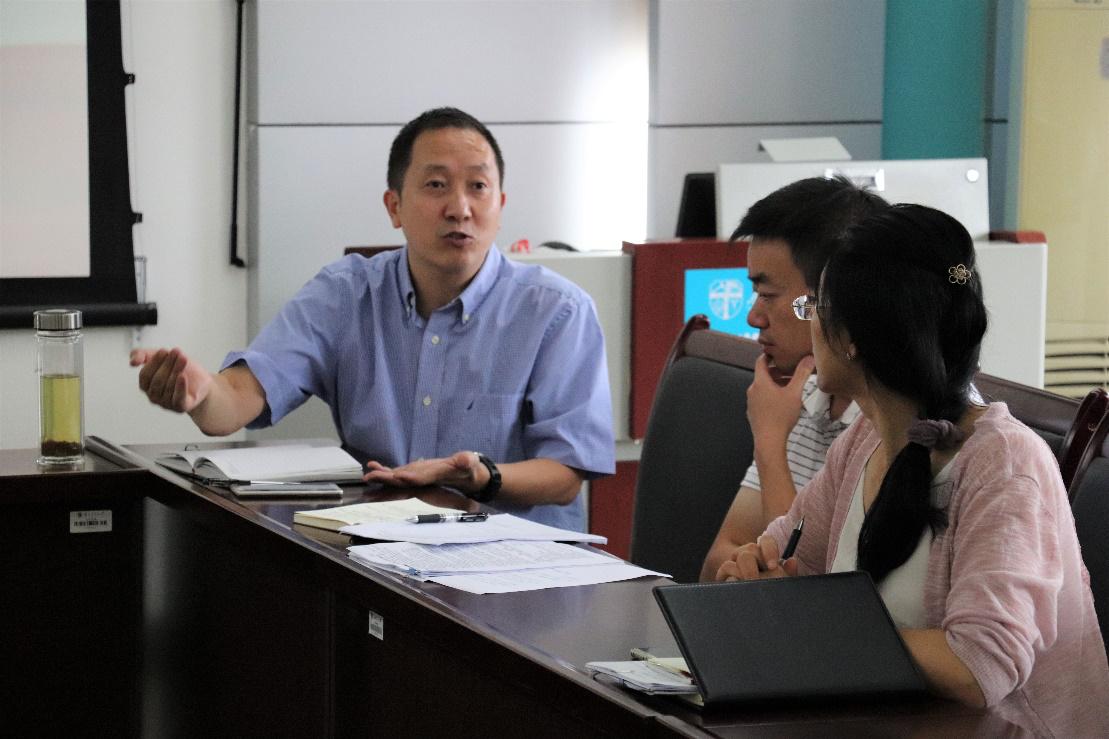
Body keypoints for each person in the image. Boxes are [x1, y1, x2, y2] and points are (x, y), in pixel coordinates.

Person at [718, 204, 1109, 736]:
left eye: (816, 308)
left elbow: (979, 666)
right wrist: (757, 575)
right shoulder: (864, 440)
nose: (811, 325)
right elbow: (790, 558)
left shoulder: (1003, 464)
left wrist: (822, 624)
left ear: (852, 337)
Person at [131, 107, 615, 531]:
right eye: (436, 185)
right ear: (394, 206)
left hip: (515, 565)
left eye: (478, 187)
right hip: (383, 550)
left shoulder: (557, 311)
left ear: (500, 206)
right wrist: (201, 393)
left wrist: (480, 476)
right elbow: (240, 396)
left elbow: (565, 476)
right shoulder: (346, 293)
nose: (460, 208)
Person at [699, 177, 889, 581]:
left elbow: (813, 585)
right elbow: (716, 562)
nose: (753, 317)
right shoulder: (805, 392)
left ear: (837, 296)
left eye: (768, 296)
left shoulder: (895, 422)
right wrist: (754, 568)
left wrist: (770, 441)